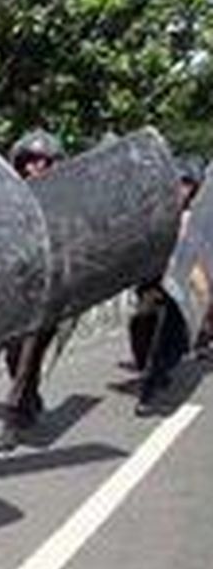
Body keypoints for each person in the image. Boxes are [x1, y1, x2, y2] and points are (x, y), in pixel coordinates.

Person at [0, 128, 65, 452]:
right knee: (14, 357)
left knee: (28, 353)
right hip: (17, 291)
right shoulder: (9, 200)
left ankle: (12, 418)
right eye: (31, 161)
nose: (38, 168)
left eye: (45, 161)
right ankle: (30, 399)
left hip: (51, 291)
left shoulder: (66, 202)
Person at [131, 155, 204, 415]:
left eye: (186, 183)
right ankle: (147, 370)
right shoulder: (154, 211)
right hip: (152, 280)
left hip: (180, 285)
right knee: (141, 320)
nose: (180, 188)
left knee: (168, 338)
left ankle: (149, 389)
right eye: (177, 182)